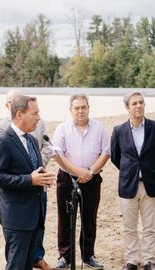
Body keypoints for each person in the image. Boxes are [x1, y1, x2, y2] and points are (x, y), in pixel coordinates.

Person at [0, 95, 56, 270]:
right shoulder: (2, 141)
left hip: (35, 215)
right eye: (35, 113)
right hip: (17, 217)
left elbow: (33, 171)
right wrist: (30, 179)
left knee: (27, 265)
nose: (39, 118)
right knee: (16, 265)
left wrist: (43, 178)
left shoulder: (32, 140)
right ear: (19, 115)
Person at [52, 94, 109, 269]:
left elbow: (105, 153)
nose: (80, 111)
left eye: (83, 107)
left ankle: (88, 255)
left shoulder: (99, 128)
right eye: (76, 108)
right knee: (65, 217)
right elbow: (57, 155)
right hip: (67, 178)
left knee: (89, 217)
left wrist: (90, 172)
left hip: (92, 179)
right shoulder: (62, 128)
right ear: (71, 110)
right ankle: (65, 256)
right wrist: (78, 172)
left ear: (88, 108)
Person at [110, 92, 155, 270]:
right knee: (129, 226)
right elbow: (115, 157)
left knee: (149, 225)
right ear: (127, 108)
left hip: (151, 183)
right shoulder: (119, 131)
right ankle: (132, 260)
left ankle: (149, 260)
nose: (139, 106)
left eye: (141, 102)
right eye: (134, 103)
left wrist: (150, 169)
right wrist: (130, 171)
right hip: (128, 184)